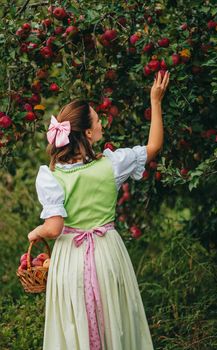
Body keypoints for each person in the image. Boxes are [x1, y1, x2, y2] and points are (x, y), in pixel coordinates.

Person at [28, 70, 170, 350]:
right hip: (106, 252)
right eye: (97, 119)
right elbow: (154, 147)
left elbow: (54, 228)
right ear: (89, 133)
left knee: (75, 323)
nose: (102, 121)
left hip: (71, 258)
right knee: (113, 320)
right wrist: (156, 101)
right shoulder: (112, 164)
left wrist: (37, 231)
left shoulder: (50, 175)